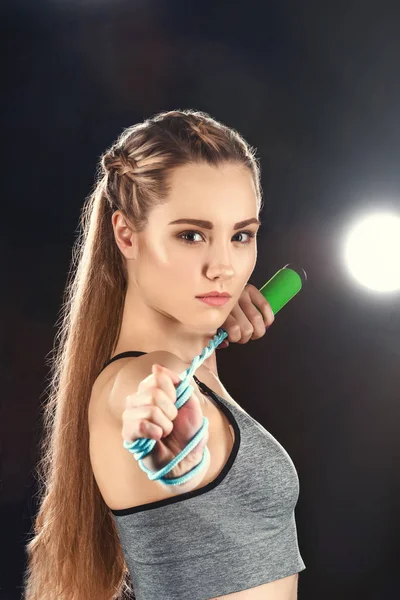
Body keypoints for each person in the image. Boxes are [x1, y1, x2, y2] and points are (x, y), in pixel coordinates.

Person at [24, 109, 306, 600]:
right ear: (127, 235)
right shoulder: (142, 377)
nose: (223, 267)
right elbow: (140, 400)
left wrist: (214, 322)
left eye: (241, 236)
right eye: (191, 235)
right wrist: (158, 443)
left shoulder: (199, 351)